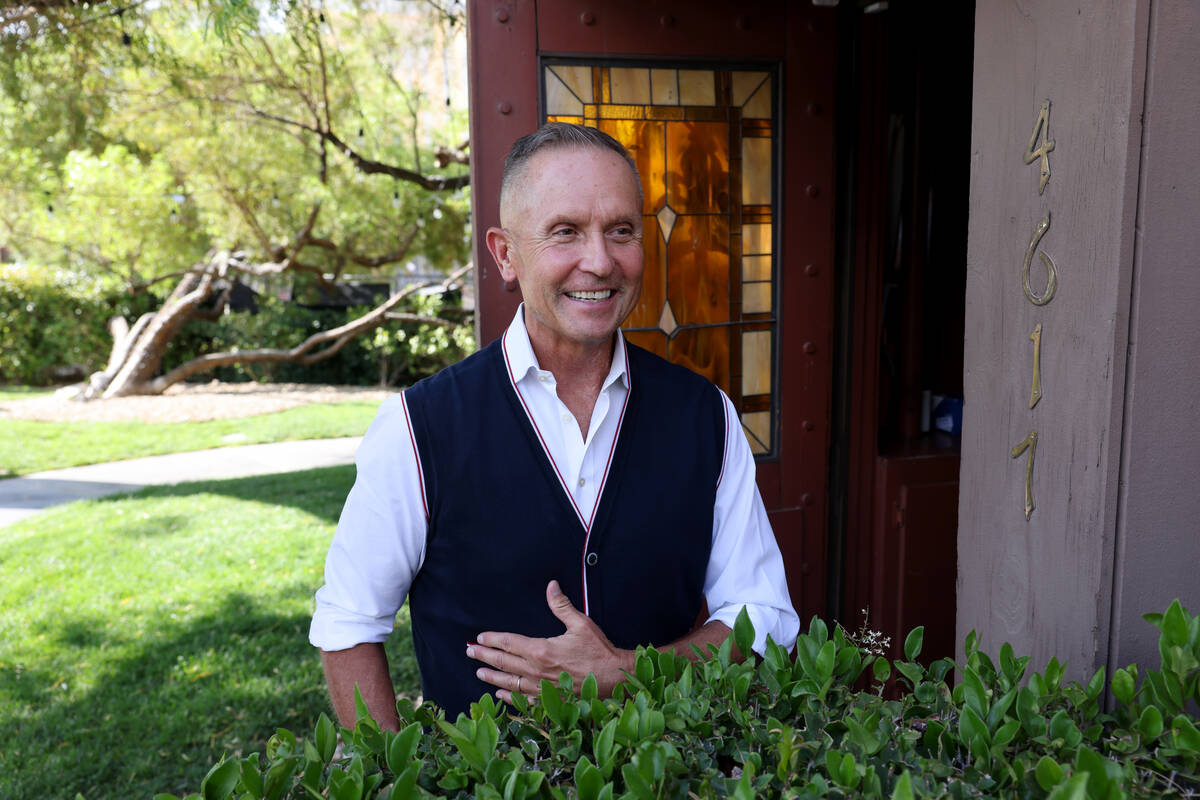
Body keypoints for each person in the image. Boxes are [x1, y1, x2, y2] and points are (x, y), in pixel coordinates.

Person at [310, 122, 798, 727]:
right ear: (505, 254)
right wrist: (389, 780)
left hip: (672, 775)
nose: (599, 261)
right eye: (565, 232)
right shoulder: (419, 428)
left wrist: (629, 672)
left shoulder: (706, 416)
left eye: (621, 231)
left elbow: (763, 615)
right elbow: (349, 624)